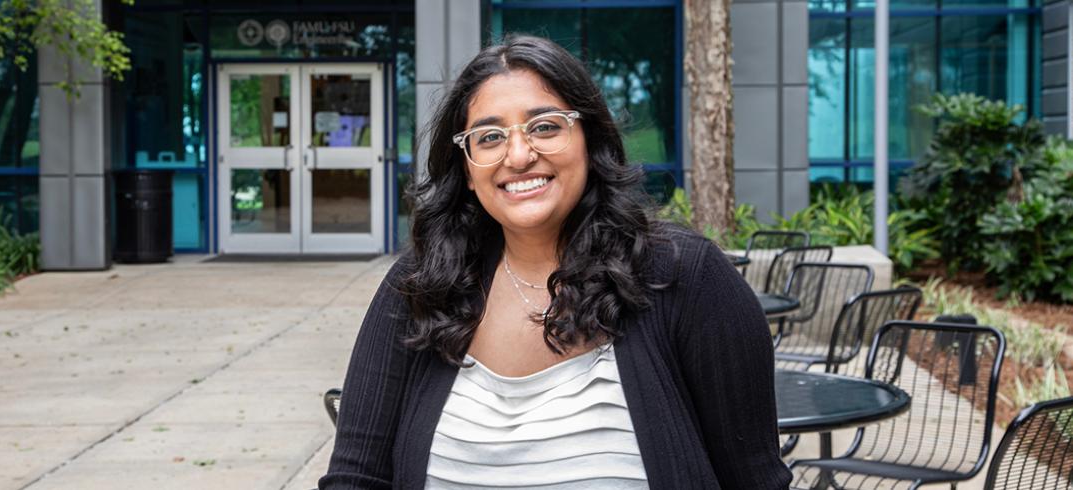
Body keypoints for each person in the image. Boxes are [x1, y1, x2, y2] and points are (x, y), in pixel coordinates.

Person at [319, 34, 791, 489]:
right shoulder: (422, 285)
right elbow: (354, 477)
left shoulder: (685, 276)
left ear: (589, 139)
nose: (519, 155)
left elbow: (755, 479)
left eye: (545, 126)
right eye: (489, 137)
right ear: (465, 168)